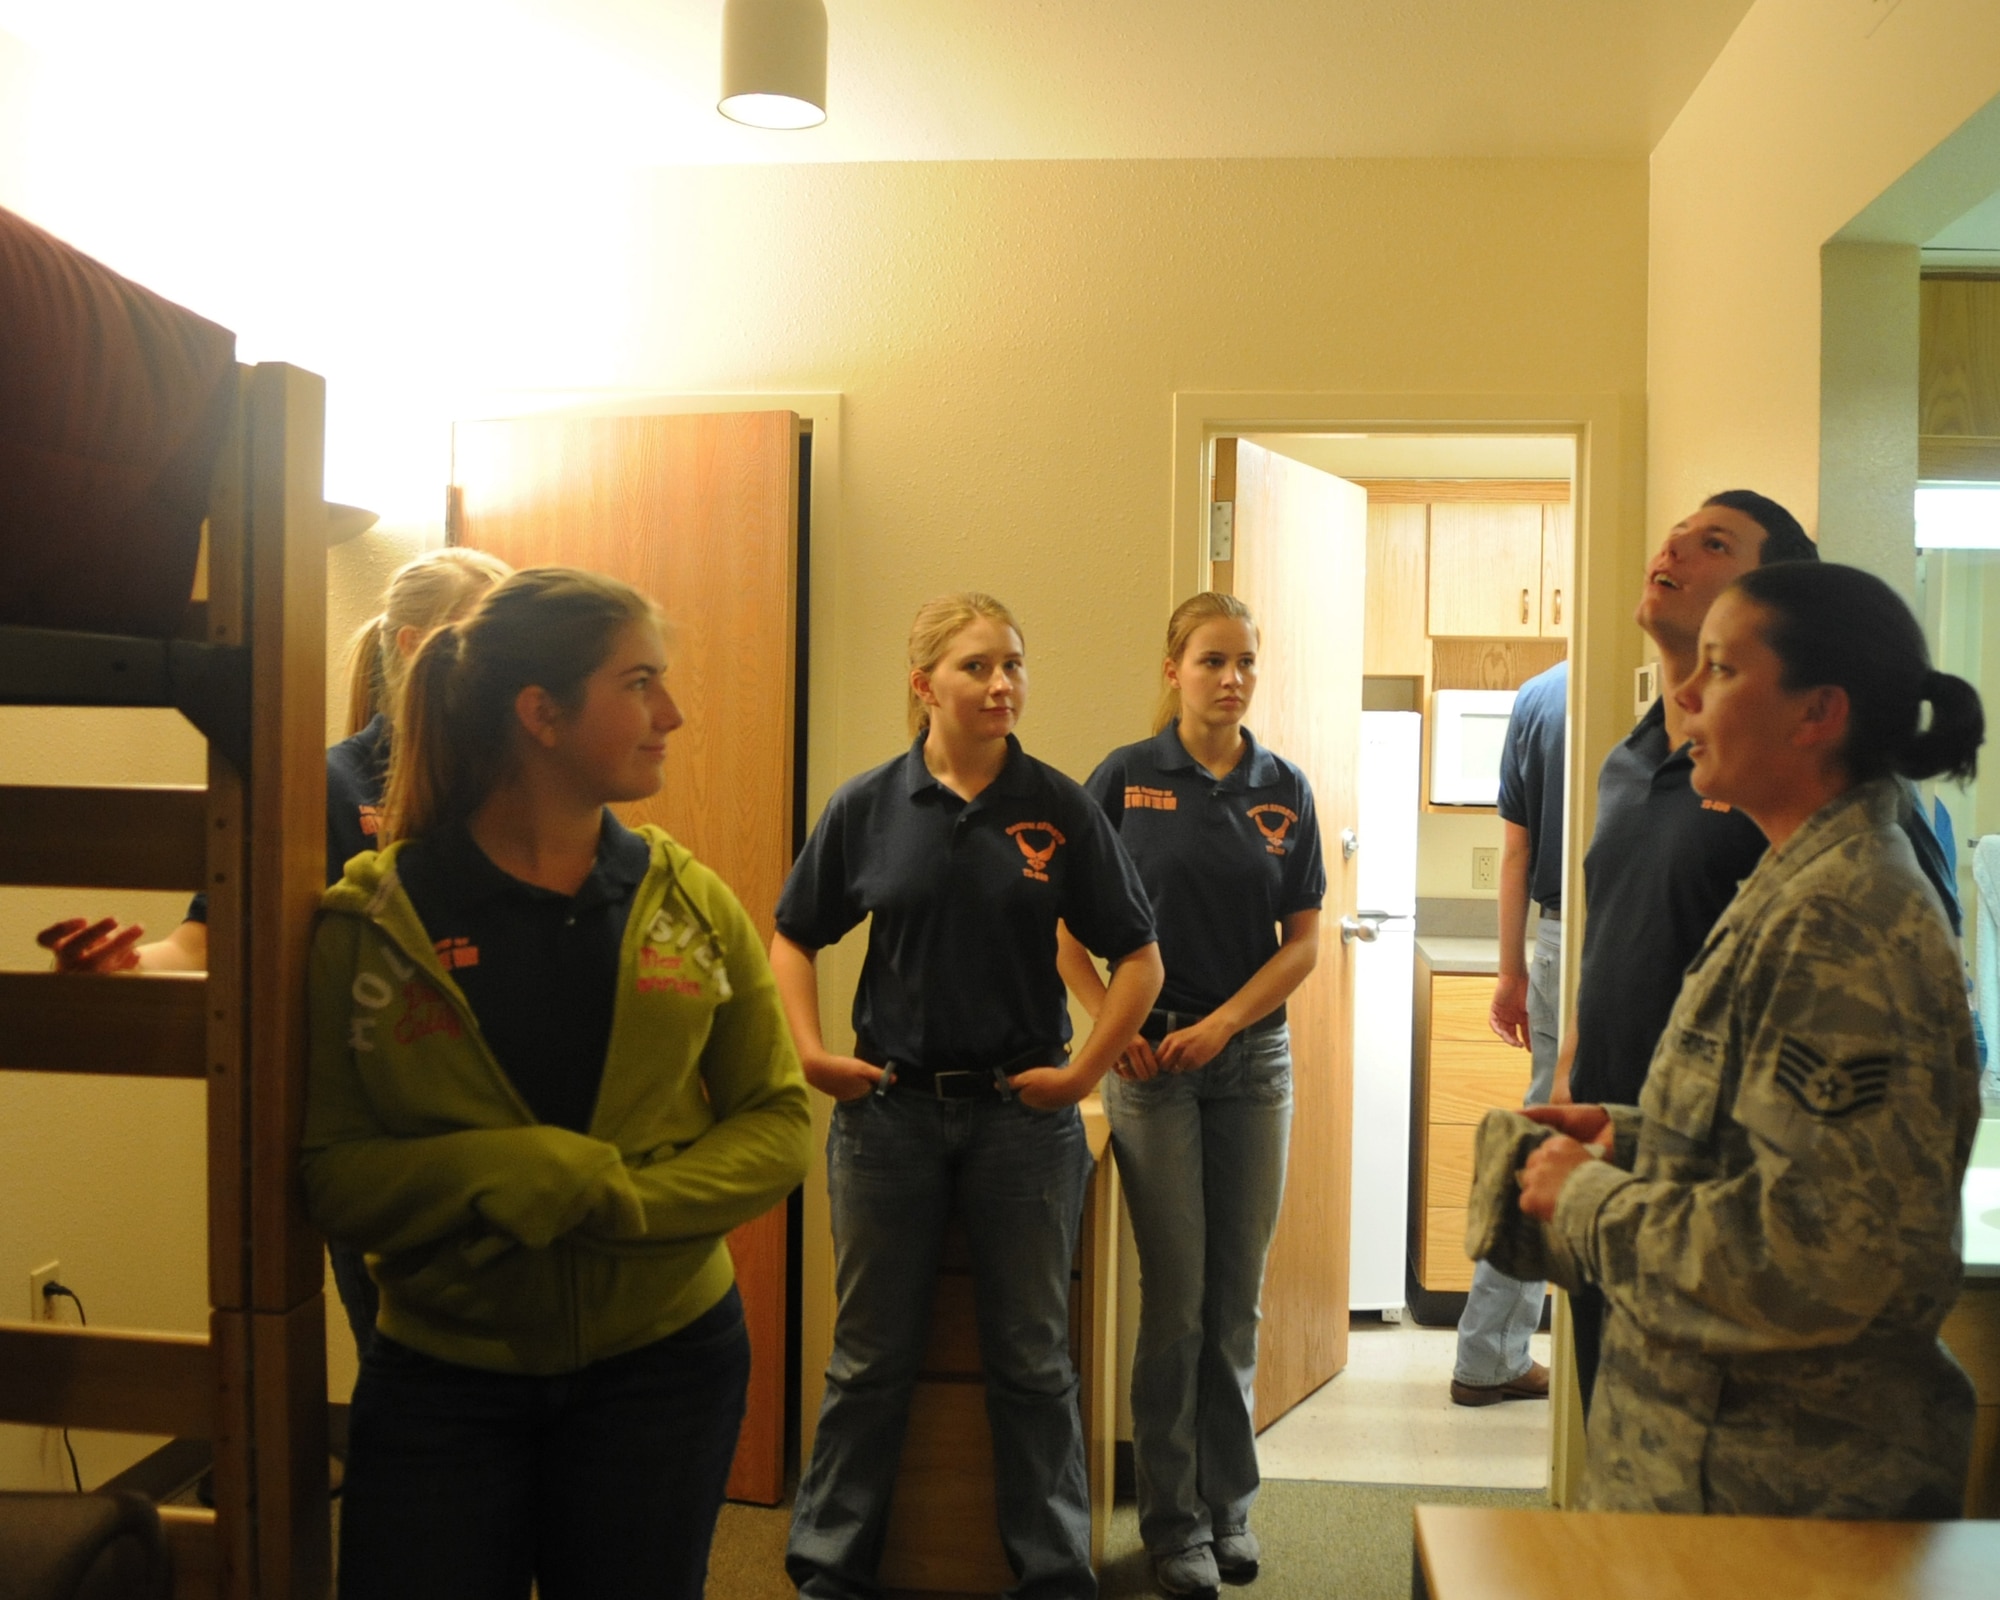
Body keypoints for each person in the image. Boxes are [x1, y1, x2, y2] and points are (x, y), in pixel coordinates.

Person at [301, 567, 811, 1600]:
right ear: (540, 713)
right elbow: (332, 1172)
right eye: (638, 683)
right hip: (443, 1379)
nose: (671, 713)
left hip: (665, 1367)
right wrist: (504, 1167)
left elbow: (779, 1120)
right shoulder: (373, 921)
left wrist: (620, 1200)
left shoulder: (688, 901)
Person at [1519, 560, 1983, 1517]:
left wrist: (1595, 1201)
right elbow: (1780, 1159)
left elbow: (1822, 1260)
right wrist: (1632, 1141)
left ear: (1819, 713)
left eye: (1722, 670)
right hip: (1709, 1479)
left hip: (1779, 1508)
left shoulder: (1850, 921)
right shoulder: (1795, 882)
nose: (1683, 696)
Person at [779, 593, 1163, 1600]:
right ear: (923, 686)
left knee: (1033, 1361)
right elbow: (791, 934)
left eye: (1013, 665)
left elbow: (1138, 960)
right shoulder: (866, 806)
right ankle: (827, 1570)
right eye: (976, 667)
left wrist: (1082, 1072)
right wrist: (811, 1052)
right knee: (867, 1359)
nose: (1001, 684)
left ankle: (1050, 1575)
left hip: (1018, 1124)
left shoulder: (1057, 806)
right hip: (888, 1117)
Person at [38, 544, 512, 1360]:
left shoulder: (518, 785)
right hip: (388, 1150)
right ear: (411, 646)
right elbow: (205, 941)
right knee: (420, 1390)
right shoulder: (327, 787)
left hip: (514, 1132)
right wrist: (124, 969)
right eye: (485, 639)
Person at [1056, 592, 1321, 1600]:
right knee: (1172, 1302)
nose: (1231, 676)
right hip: (1152, 1074)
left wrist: (1226, 1023)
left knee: (1233, 1301)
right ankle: (1171, 1526)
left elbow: (1299, 947)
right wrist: (1110, 1027)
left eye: (1245, 660)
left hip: (1251, 1068)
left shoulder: (1281, 788)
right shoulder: (1123, 780)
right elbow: (1062, 927)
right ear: (1172, 668)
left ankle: (1226, 1506)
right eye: (1211, 658)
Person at [1450, 658, 1565, 1408]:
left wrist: (1510, 971)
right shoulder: (1657, 690)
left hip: (1554, 939)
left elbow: (1515, 851)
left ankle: (1489, 1352)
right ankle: (1491, 1355)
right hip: (1626, 938)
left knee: (1543, 1134)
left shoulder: (1537, 696)